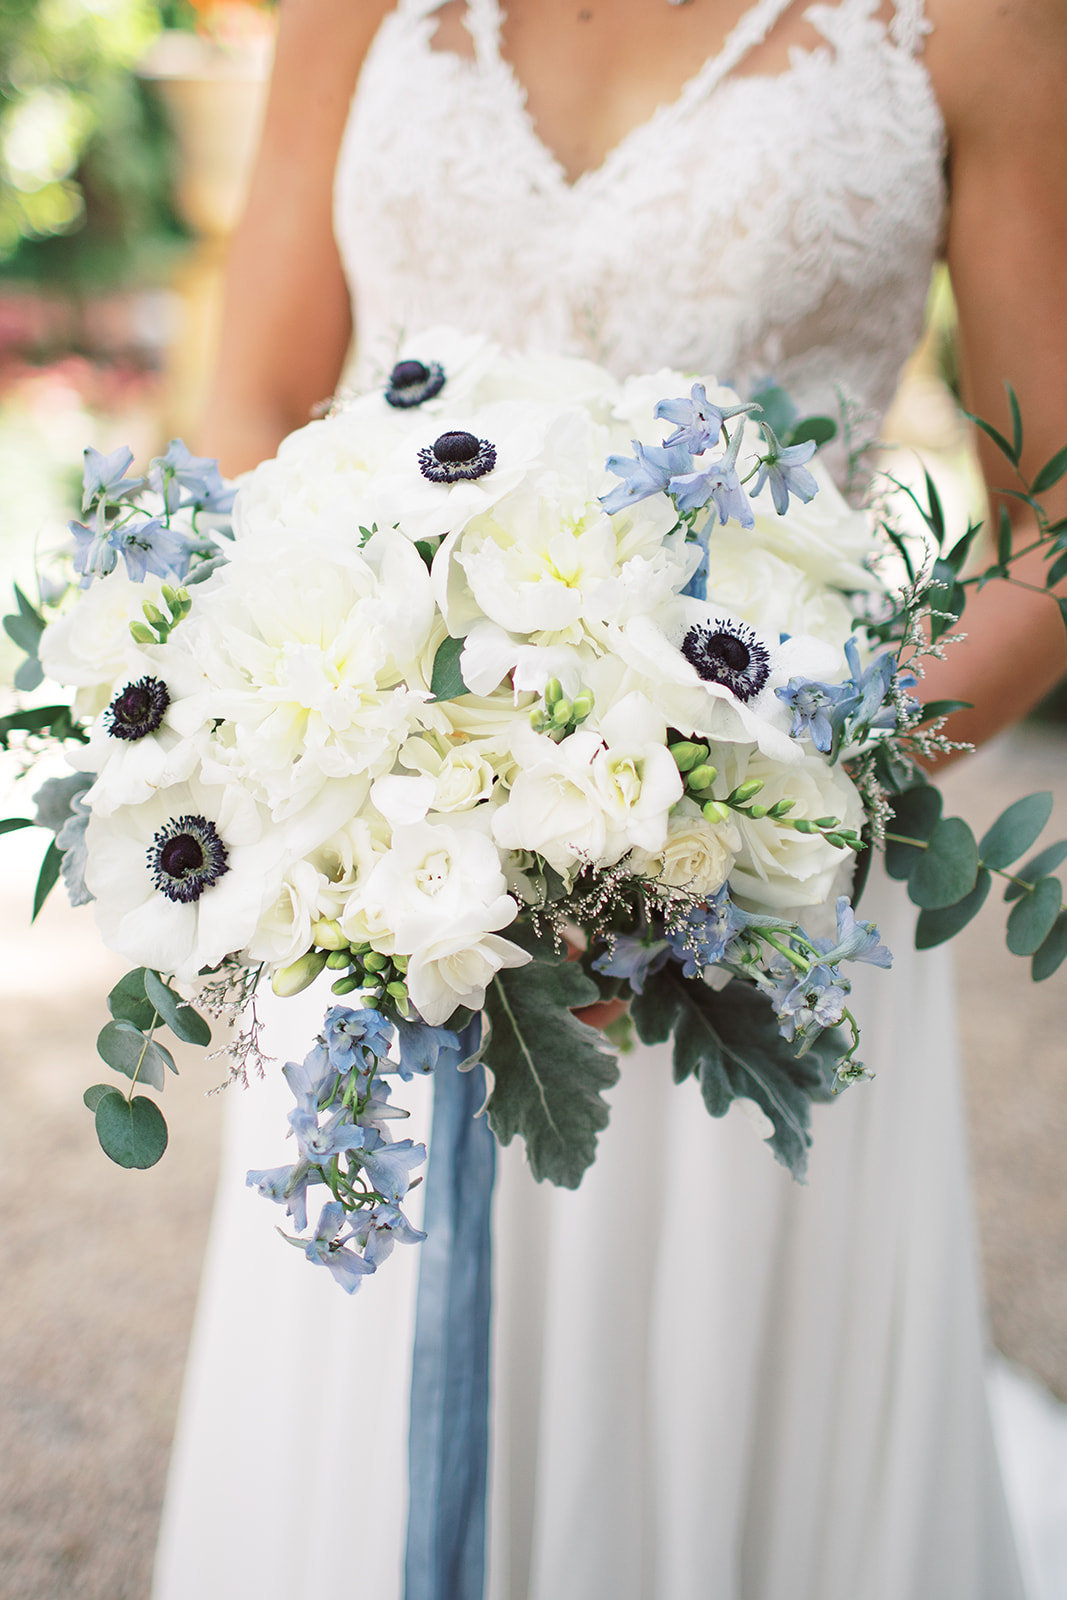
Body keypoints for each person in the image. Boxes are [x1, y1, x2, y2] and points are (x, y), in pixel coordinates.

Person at [152, 2, 1067, 1597]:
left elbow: (1056, 515)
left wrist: (795, 792)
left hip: (760, 900)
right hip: (392, 868)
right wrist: (342, 750)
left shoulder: (973, 23)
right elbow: (255, 404)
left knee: (712, 1392)